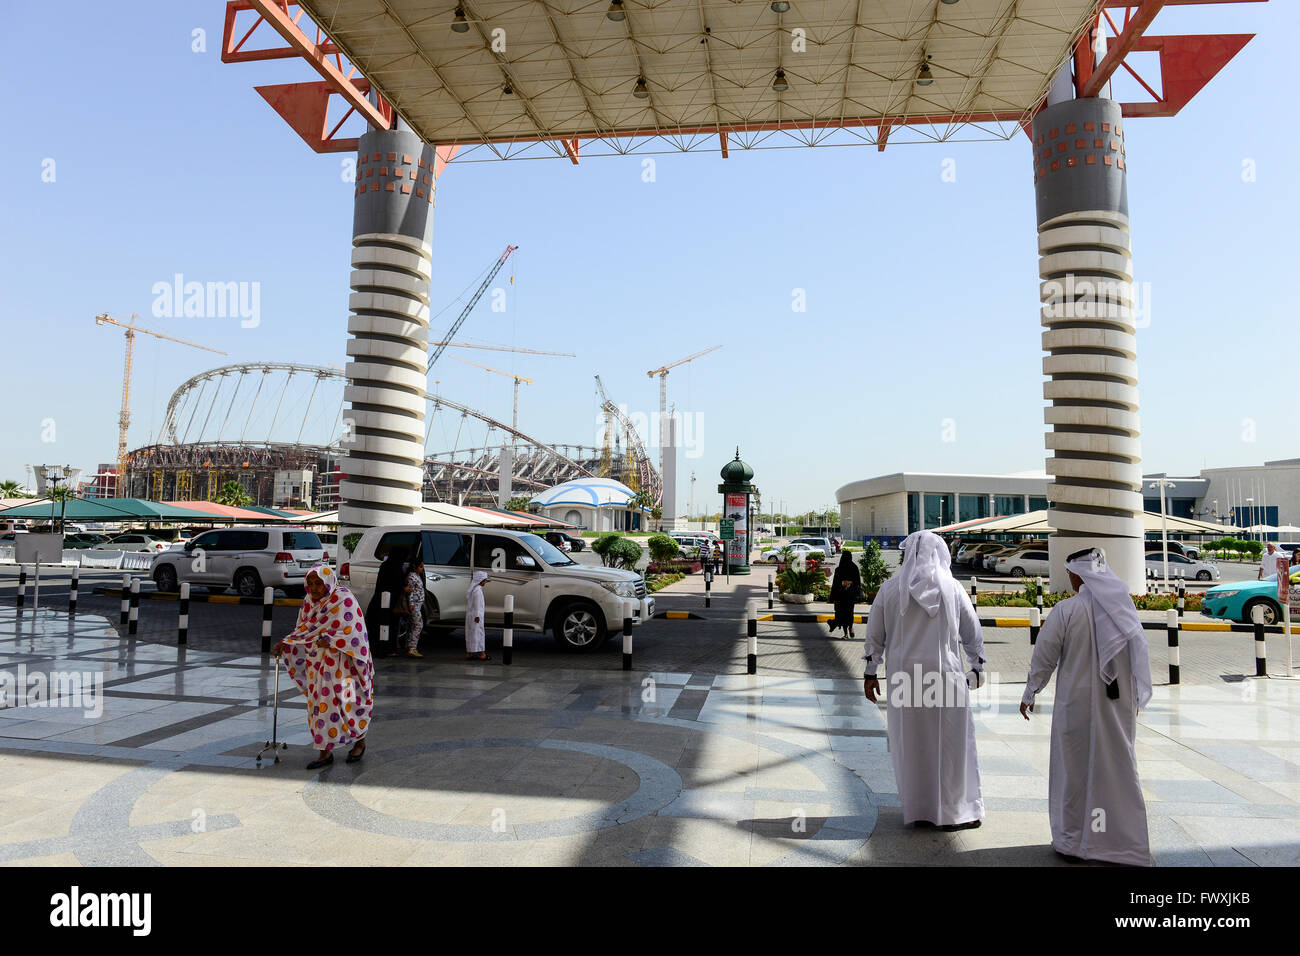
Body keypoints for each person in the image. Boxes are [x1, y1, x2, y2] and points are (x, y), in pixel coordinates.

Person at [1019, 547, 1152, 866]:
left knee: (1074, 771)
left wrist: (1030, 691)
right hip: (1116, 707)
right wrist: (1135, 698)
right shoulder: (1123, 608)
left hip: (1075, 708)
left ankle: (1075, 842)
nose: (1069, 578)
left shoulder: (1066, 610)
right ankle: (1114, 840)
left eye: (1070, 572)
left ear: (1079, 574)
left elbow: (1044, 656)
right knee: (1115, 767)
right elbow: (1138, 657)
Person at [863, 530, 985, 831]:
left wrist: (870, 673)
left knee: (912, 744)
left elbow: (874, 635)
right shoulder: (953, 589)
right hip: (946, 677)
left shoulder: (890, 589)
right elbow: (972, 634)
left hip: (905, 679)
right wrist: (977, 665)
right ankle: (955, 812)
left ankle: (919, 811)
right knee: (952, 744)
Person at [272, 564, 372, 770]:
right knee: (319, 707)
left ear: (328, 581)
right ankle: (324, 751)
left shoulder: (344, 599)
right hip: (317, 666)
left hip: (345, 669)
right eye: (310, 584)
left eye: (318, 583)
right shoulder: (308, 603)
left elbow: (356, 634)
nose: (315, 588)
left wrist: (334, 641)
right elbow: (303, 630)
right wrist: (285, 643)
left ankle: (359, 741)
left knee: (349, 702)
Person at [365, 545, 408, 658]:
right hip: (391, 603)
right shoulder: (397, 567)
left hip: (378, 600)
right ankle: (388, 649)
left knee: (378, 627)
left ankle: (378, 649)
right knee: (391, 626)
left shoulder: (385, 565)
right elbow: (398, 583)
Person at [829, 550, 862, 639]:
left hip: (842, 596)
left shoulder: (840, 569)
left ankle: (846, 633)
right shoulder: (853, 568)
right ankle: (850, 629)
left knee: (843, 614)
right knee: (849, 613)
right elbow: (858, 582)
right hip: (849, 596)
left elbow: (835, 585)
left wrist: (833, 597)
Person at [400, 555, 425, 659]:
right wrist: (411, 604)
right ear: (415, 567)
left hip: (418, 604)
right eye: (420, 566)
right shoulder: (411, 577)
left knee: (412, 625)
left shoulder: (417, 575)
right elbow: (410, 592)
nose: (422, 569)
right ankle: (412, 647)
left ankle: (409, 646)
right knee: (418, 625)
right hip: (414, 605)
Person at [465, 569, 490, 661]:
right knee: (478, 634)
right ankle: (482, 654)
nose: (485, 582)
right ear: (480, 581)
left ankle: (469, 653)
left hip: (471, 616)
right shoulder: (478, 591)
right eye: (484, 580)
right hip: (476, 616)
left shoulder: (473, 590)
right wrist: (477, 616)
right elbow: (477, 605)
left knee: (471, 633)